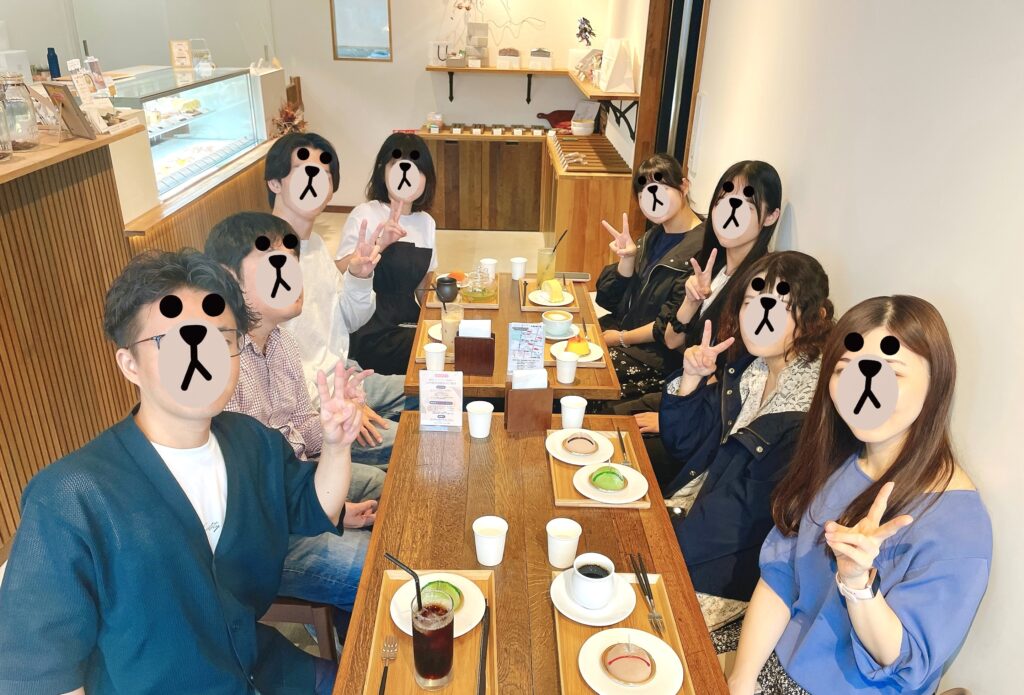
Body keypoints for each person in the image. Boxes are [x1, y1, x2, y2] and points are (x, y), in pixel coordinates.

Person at [0, 249, 370, 694]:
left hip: (262, 671)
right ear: (129, 364)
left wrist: (336, 445)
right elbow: (41, 677)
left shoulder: (250, 442)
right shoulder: (70, 499)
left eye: (221, 337)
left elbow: (316, 506)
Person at [725, 296, 991, 695]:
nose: (864, 385)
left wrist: (858, 584)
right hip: (773, 660)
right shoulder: (839, 461)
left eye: (891, 372)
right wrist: (741, 681)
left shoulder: (959, 525)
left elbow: (903, 661)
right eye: (845, 368)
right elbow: (779, 576)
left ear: (936, 382)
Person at [205, 211, 383, 615]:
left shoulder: (281, 341)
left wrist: (336, 420)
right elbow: (248, 488)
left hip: (296, 489)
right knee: (373, 566)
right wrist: (331, 512)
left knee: (381, 487)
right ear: (229, 279)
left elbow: (300, 429)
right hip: (261, 536)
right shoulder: (219, 366)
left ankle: (346, 623)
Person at [658, 252, 833, 626]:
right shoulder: (751, 370)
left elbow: (744, 519)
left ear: (815, 319)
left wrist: (662, 541)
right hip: (689, 521)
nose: (759, 317)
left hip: (726, 571)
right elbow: (684, 446)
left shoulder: (807, 412)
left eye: (778, 306)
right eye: (751, 303)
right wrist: (690, 381)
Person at [265, 132, 411, 469]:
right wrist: (339, 400)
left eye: (325, 173)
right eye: (303, 170)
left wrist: (359, 276)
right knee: (418, 442)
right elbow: (275, 366)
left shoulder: (314, 244)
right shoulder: (267, 261)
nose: (315, 179)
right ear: (275, 182)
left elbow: (349, 320)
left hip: (345, 377)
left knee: (434, 394)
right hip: (316, 407)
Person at [627, 160, 784, 440]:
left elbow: (738, 377)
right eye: (724, 199)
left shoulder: (761, 288)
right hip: (683, 387)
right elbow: (672, 340)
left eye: (746, 204)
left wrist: (672, 419)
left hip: (706, 416)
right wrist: (691, 301)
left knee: (614, 427)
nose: (730, 211)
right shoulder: (713, 266)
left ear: (771, 217)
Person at [596, 153, 706, 401]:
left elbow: (666, 327)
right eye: (644, 193)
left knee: (588, 383)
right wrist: (627, 259)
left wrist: (620, 339)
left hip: (656, 358)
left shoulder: (700, 248)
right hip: (623, 331)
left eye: (661, 187)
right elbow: (607, 299)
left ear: (684, 186)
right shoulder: (651, 237)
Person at [335, 132, 439, 375]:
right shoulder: (365, 214)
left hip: (408, 322)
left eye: (416, 168)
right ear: (383, 171)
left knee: (453, 342)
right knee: (436, 353)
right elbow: (340, 270)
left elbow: (423, 287)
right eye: (397, 165)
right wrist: (380, 244)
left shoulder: (426, 222)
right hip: (371, 328)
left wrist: (444, 312)